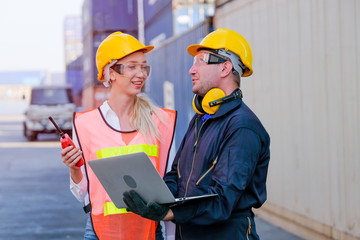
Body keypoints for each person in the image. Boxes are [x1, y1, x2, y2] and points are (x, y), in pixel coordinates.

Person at [123, 28, 270, 240]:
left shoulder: (242, 127)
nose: (191, 70)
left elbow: (222, 200)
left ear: (225, 68)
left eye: (200, 61)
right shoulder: (202, 118)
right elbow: (177, 175)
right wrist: (155, 196)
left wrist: (169, 212)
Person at [60, 31, 176, 240]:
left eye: (143, 66)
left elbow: (171, 185)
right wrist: (73, 169)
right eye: (132, 66)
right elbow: (81, 193)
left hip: (149, 232)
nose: (141, 73)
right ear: (111, 72)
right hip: (99, 232)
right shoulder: (86, 124)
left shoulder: (161, 121)